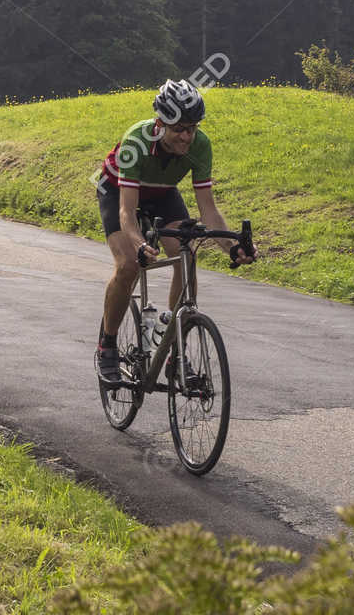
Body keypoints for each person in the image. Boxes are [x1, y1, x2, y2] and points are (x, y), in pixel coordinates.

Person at [94, 79, 254, 385]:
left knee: (186, 253)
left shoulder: (201, 145)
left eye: (191, 128)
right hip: (118, 191)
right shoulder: (136, 141)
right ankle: (108, 345)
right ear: (160, 123)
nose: (186, 136)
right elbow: (127, 211)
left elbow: (208, 208)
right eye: (179, 128)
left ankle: (173, 346)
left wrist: (232, 248)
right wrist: (139, 243)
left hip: (163, 193)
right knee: (129, 265)